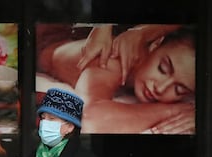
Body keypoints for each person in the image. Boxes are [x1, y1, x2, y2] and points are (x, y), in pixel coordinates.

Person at [37, 24, 195, 134]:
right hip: (43, 37)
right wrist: (176, 111)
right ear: (155, 44)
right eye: (163, 69)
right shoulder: (113, 59)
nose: (160, 88)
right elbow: (88, 118)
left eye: (179, 89)